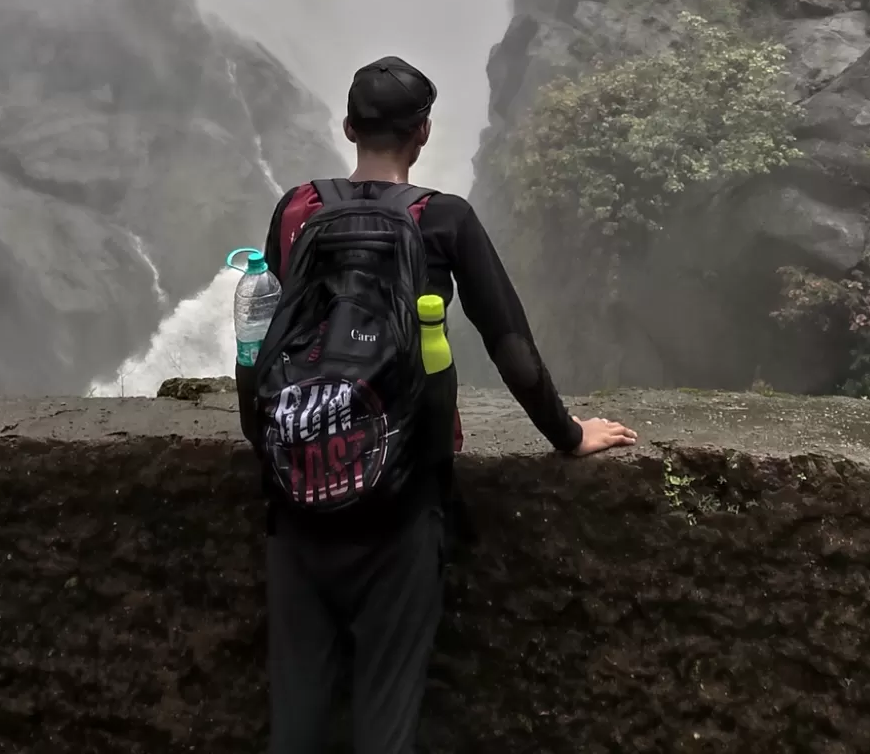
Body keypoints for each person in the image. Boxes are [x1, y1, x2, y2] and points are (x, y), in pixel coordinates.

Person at [244, 54, 637, 754]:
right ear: (423, 133)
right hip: (402, 500)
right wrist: (568, 435)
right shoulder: (442, 219)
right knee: (385, 724)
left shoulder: (297, 209)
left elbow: (290, 336)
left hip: (296, 491)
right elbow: (509, 345)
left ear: (347, 126)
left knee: (295, 725)